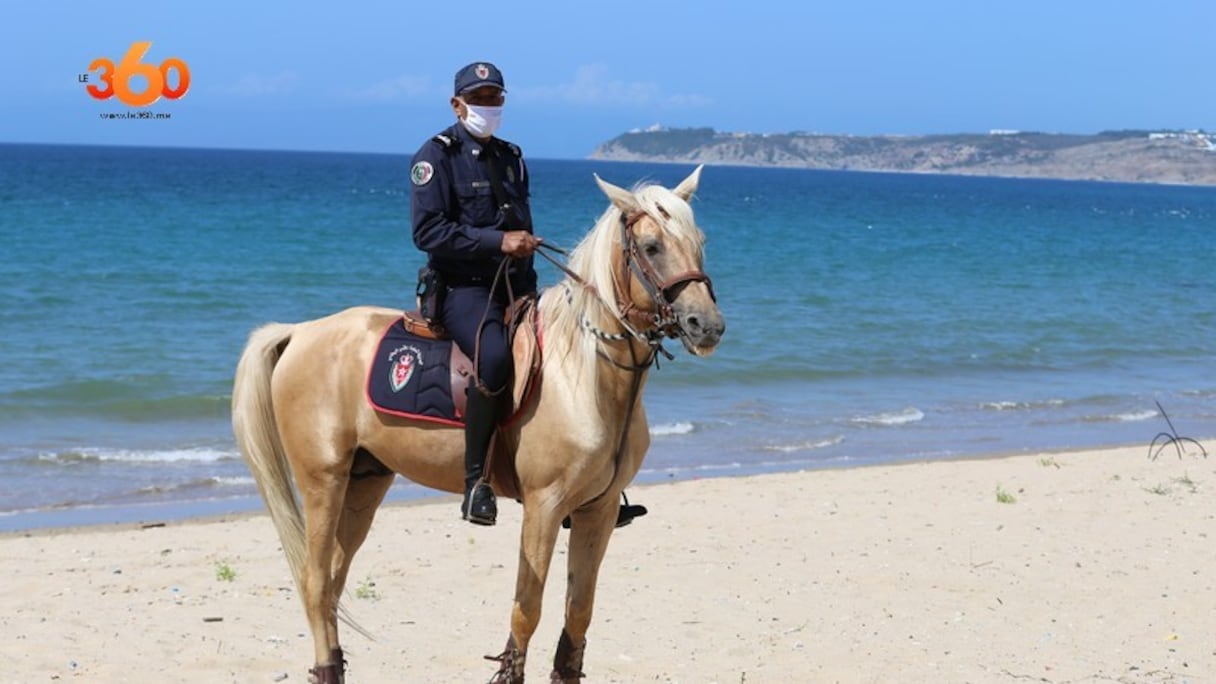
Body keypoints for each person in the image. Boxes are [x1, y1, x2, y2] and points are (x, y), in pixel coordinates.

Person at [409, 62, 541, 526]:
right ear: (457, 103)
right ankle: (476, 484)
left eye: (495, 98)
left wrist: (523, 251)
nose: (489, 106)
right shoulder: (436, 156)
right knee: (495, 360)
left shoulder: (512, 156)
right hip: (464, 290)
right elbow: (428, 232)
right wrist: (497, 242)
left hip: (517, 287)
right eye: (479, 98)